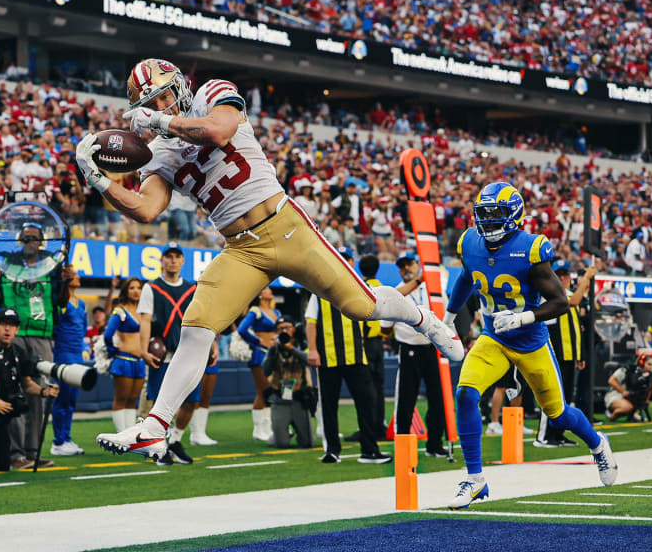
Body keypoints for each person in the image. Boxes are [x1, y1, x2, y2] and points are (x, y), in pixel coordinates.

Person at [84, 59, 461, 462]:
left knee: (361, 307)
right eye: (151, 102)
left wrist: (161, 121)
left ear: (179, 87)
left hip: (284, 226)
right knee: (196, 326)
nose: (160, 105)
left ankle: (422, 319)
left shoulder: (211, 95)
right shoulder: (158, 152)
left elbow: (218, 130)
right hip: (241, 249)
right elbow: (146, 209)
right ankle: (156, 427)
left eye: (162, 96)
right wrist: (98, 177)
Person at [443, 182, 617, 510]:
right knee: (465, 393)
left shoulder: (531, 249)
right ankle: (475, 479)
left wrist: (525, 318)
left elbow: (560, 302)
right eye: (484, 215)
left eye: (496, 215)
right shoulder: (470, 243)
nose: (489, 222)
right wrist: (449, 315)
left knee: (558, 414)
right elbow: (467, 277)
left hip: (531, 342)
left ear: (514, 216)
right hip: (494, 338)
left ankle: (597, 445)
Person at [306, 247, 390, 464]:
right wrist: (313, 349)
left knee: (367, 402)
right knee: (329, 405)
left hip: (356, 356)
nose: (342, 263)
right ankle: (332, 450)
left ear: (352, 262)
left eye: (346, 259)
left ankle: (369, 450)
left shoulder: (361, 288)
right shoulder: (320, 290)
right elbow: (311, 321)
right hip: (329, 356)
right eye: (339, 259)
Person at [0, 222, 68, 470]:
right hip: (15, 333)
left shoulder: (52, 265)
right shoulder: (8, 264)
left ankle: (33, 453)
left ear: (41, 242)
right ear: (20, 241)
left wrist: (68, 282)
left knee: (41, 393)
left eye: (34, 238)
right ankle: (16, 455)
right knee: (16, 392)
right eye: (25, 238)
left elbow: (61, 300)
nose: (29, 242)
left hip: (43, 334)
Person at [138, 242, 215, 464]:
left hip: (189, 354)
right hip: (163, 353)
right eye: (168, 256)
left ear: (183, 261)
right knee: (158, 401)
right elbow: (144, 319)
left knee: (192, 401)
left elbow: (204, 319)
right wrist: (143, 349)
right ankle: (158, 446)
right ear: (161, 260)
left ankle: (175, 440)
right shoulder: (151, 288)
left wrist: (213, 345)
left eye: (177, 256)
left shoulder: (193, 289)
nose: (172, 260)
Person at [382, 253, 448, 458]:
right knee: (406, 398)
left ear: (418, 265)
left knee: (438, 397)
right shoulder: (395, 292)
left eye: (409, 264)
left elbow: (445, 315)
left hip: (432, 347)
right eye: (402, 266)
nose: (406, 269)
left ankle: (435, 444)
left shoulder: (433, 289)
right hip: (409, 347)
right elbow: (385, 327)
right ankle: (402, 444)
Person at [0, 308, 57, 471]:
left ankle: (27, 455)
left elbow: (27, 384)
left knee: (1, 465)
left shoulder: (18, 352)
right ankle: (15, 456)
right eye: (4, 324)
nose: (8, 329)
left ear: (17, 330)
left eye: (12, 326)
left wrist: (44, 392)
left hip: (6, 409)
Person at [537, 260, 596, 446]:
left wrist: (579, 354)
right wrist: (586, 279)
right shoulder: (549, 294)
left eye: (565, 274)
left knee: (566, 397)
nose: (564, 278)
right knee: (552, 395)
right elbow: (573, 301)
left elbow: (575, 329)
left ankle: (558, 433)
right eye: (561, 275)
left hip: (569, 354)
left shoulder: (567, 293)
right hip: (555, 352)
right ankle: (544, 436)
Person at [51, 265, 86, 457]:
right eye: (75, 275)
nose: (79, 277)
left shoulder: (81, 304)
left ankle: (67, 438)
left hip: (77, 355)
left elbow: (83, 328)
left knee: (71, 399)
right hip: (63, 354)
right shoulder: (61, 303)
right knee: (62, 399)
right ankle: (58, 441)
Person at [262, 316, 313, 448]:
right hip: (279, 398)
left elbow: (309, 360)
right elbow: (266, 371)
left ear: (294, 329)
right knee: (281, 443)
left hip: (299, 397)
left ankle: (291, 429)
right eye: (280, 329)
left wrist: (292, 349)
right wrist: (273, 350)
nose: (284, 331)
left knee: (308, 443)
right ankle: (281, 433)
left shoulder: (303, 344)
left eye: (287, 327)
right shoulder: (274, 347)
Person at [104, 277, 145, 433]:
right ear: (126, 291)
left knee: (132, 400)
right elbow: (108, 335)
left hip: (139, 362)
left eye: (139, 288)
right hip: (124, 360)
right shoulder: (120, 311)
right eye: (132, 288)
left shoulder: (144, 311)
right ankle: (121, 435)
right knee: (121, 399)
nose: (136, 291)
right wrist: (112, 351)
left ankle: (130, 434)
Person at [238, 287, 279, 443]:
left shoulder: (277, 313)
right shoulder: (255, 311)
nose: (270, 291)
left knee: (272, 391)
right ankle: (258, 429)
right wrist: (256, 341)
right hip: (260, 353)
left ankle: (267, 428)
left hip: (274, 354)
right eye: (267, 289)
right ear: (261, 294)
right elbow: (242, 329)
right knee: (264, 391)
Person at [357, 254, 388, 437]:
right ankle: (379, 425)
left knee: (366, 387)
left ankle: (368, 428)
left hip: (366, 342)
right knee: (379, 386)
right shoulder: (383, 288)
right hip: (379, 342)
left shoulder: (363, 288)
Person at [605, 355, 652, 422]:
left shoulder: (649, 375)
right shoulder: (628, 369)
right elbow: (611, 381)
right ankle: (610, 415)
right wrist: (623, 391)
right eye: (649, 364)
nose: (651, 367)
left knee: (639, 403)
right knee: (627, 408)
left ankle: (633, 414)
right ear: (641, 363)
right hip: (615, 395)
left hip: (632, 397)